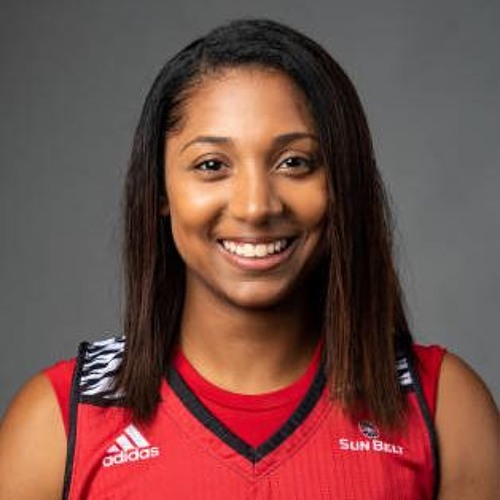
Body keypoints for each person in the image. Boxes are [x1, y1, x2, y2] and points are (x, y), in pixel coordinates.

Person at [0, 18, 498, 500]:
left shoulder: (444, 411)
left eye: (295, 162)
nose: (256, 206)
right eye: (212, 165)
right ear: (160, 191)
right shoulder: (58, 425)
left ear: (343, 182)